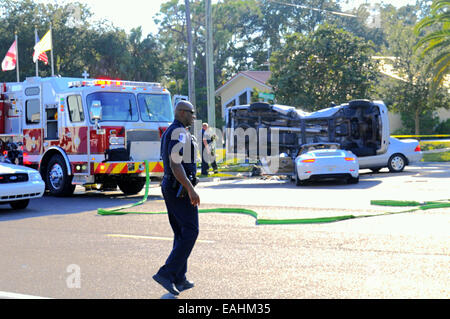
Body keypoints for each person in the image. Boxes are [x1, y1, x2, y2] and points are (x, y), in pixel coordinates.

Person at [152, 100, 200, 296]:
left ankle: (179, 278)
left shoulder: (175, 130)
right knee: (191, 231)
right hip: (178, 188)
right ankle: (167, 273)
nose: (194, 116)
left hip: (172, 186)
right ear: (181, 112)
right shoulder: (178, 132)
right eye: (191, 113)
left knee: (181, 232)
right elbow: (175, 164)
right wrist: (190, 189)